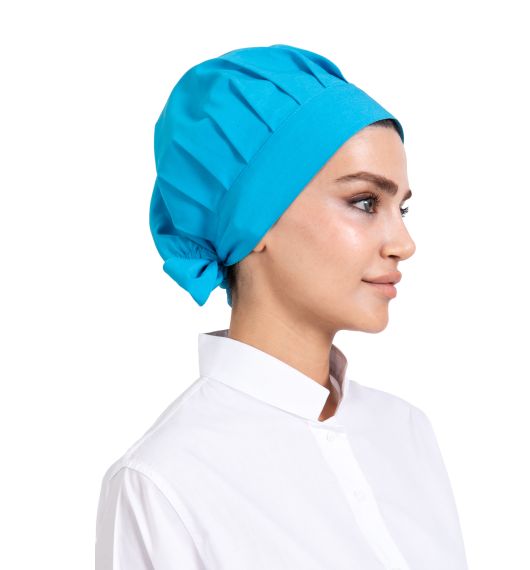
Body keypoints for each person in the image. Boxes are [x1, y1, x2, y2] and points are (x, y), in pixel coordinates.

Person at [95, 44, 469, 569]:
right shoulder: (164, 482)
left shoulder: (406, 431)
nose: (403, 244)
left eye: (401, 209)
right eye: (365, 202)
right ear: (255, 220)